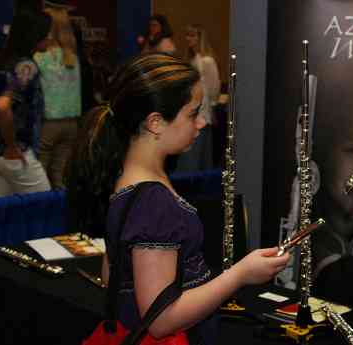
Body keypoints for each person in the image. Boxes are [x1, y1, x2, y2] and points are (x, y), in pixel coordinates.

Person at [64, 54, 290, 344]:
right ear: (156, 122)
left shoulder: (126, 178)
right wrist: (239, 275)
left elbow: (114, 279)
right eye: (193, 113)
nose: (203, 122)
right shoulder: (153, 202)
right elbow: (159, 321)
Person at [0, 11, 52, 197]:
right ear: (36, 36)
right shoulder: (26, 67)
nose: (50, 38)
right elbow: (2, 105)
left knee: (1, 219)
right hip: (13, 154)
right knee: (46, 210)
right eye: (47, 33)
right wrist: (12, 145)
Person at [34, 4, 82, 189]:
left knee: (40, 175)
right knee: (60, 176)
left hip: (49, 123)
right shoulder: (73, 57)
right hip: (72, 124)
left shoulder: (40, 57)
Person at [175, 24, 220, 172]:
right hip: (189, 114)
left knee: (196, 160)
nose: (188, 39)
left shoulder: (207, 61)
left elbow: (214, 91)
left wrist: (209, 112)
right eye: (187, 35)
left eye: (192, 35)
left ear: (200, 38)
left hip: (202, 116)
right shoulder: (190, 60)